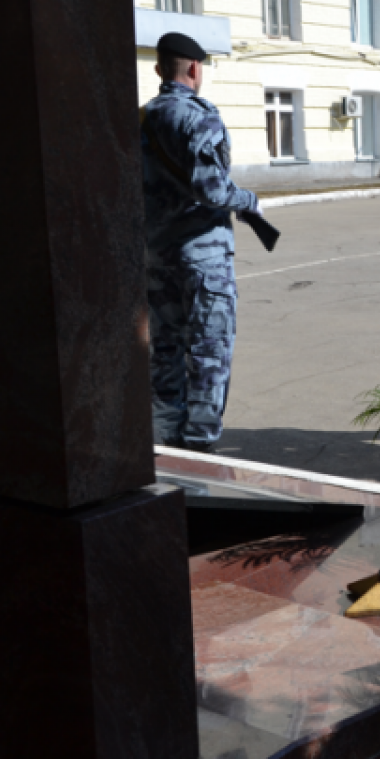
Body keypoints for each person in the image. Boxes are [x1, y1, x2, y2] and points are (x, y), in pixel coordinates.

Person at [140, 33, 262, 453]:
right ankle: (201, 448)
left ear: (159, 70)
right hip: (203, 259)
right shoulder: (198, 117)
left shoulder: (140, 118)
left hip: (157, 256)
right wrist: (248, 200)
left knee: (166, 350)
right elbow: (212, 190)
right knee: (209, 352)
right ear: (194, 69)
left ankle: (166, 442)